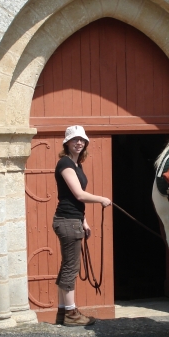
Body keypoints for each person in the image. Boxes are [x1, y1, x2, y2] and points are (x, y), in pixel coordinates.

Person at [53, 126, 111, 326]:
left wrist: (83, 220)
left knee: (67, 266)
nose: (79, 143)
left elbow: (73, 199)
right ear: (67, 142)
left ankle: (63, 311)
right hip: (67, 221)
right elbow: (78, 195)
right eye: (74, 139)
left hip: (73, 219)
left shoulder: (77, 165)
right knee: (71, 267)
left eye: (82, 140)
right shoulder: (65, 163)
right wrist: (101, 199)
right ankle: (71, 314)